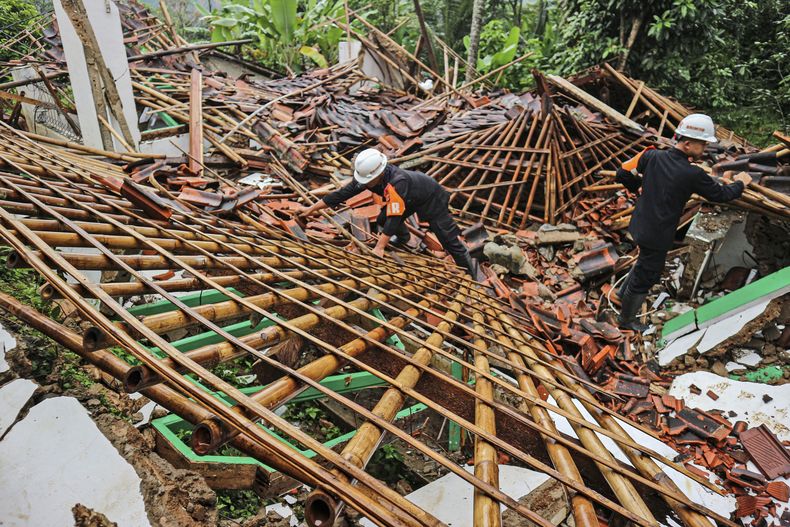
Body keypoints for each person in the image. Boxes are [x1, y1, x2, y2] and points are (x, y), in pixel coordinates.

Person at [614, 113, 752, 331]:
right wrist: (741, 184)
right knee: (647, 274)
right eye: (702, 144)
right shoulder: (692, 174)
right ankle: (626, 320)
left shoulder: (651, 156)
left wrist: (637, 187)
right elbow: (722, 195)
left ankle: (622, 294)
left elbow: (621, 173)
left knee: (644, 261)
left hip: (639, 224)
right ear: (688, 144)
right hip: (658, 233)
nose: (705, 149)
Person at [298, 148, 481, 279]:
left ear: (377, 174)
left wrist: (379, 247)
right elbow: (341, 194)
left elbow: (395, 217)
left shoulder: (396, 182)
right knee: (382, 218)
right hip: (410, 198)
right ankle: (403, 239)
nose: (364, 184)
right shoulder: (368, 176)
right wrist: (310, 209)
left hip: (430, 197)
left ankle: (470, 276)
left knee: (446, 237)